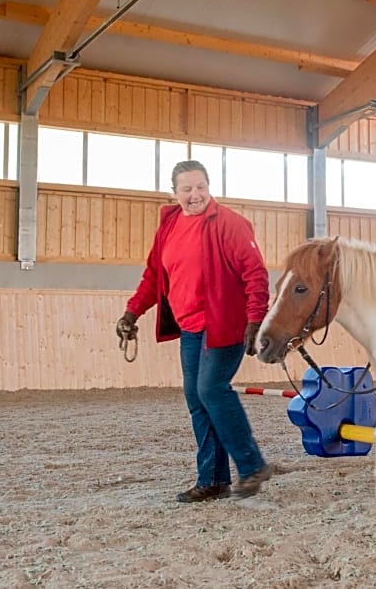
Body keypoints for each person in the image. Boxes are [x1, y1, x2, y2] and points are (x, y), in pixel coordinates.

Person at [116, 159, 273, 502]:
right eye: (186, 189)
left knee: (211, 390)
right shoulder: (170, 227)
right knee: (197, 400)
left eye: (200, 187)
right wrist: (132, 312)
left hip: (223, 324)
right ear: (174, 193)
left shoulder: (230, 224)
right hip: (189, 327)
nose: (195, 195)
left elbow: (255, 274)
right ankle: (213, 479)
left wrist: (255, 318)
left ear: (209, 186)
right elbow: (154, 276)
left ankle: (252, 466)